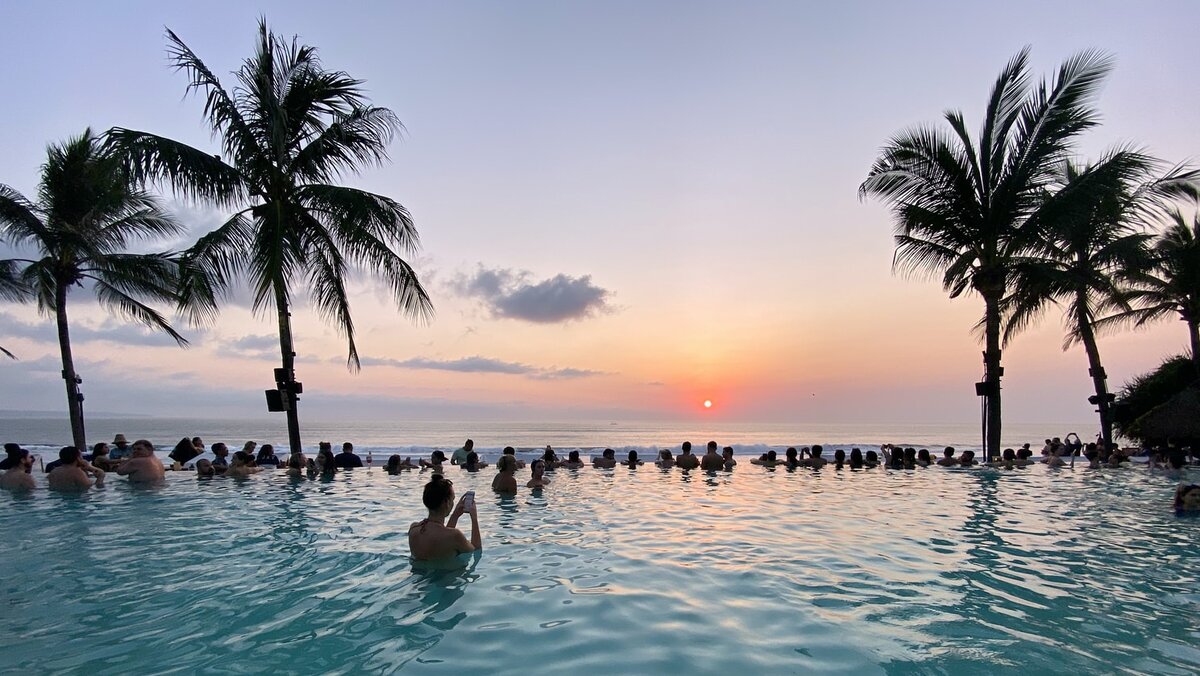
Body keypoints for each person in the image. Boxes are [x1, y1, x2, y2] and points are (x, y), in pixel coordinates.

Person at [409, 475, 481, 560]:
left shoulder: (413, 529)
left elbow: (441, 535)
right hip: (451, 573)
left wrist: (455, 516)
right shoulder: (455, 535)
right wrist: (474, 518)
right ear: (446, 502)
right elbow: (476, 550)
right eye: (452, 499)